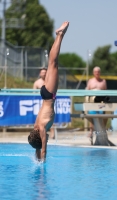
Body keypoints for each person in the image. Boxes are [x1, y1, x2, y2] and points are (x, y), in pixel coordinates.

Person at [28, 21, 69, 162]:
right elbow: (38, 148)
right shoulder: (36, 127)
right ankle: (59, 36)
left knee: (53, 62)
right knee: (52, 63)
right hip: (45, 95)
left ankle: (59, 35)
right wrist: (37, 156)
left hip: (49, 96)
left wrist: (42, 165)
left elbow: (43, 148)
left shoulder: (42, 128)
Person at [86, 66, 107, 144]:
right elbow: (87, 91)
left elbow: (105, 92)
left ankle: (100, 133)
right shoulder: (91, 81)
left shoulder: (103, 81)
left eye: (98, 72)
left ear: (100, 73)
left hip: (100, 101)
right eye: (95, 72)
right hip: (92, 100)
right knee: (92, 116)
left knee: (100, 116)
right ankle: (91, 131)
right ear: (93, 73)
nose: (97, 73)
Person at [33, 68, 55, 139]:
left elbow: (54, 93)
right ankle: (38, 136)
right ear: (40, 74)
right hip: (39, 103)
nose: (44, 74)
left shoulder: (50, 82)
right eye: (42, 72)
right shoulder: (37, 83)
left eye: (45, 72)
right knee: (39, 121)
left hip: (47, 104)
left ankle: (52, 132)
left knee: (48, 119)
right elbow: (33, 93)